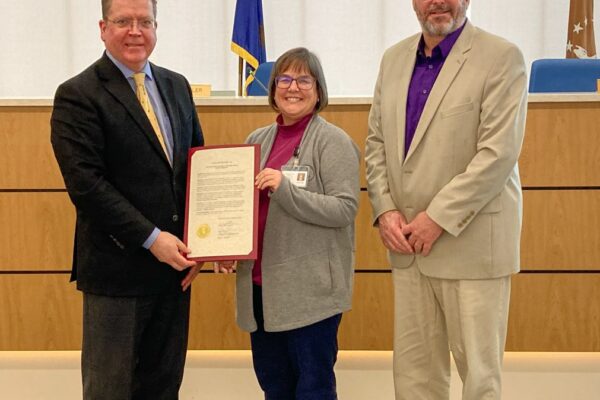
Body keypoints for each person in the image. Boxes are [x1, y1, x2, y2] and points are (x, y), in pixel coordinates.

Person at [365, 1, 527, 399]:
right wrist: (384, 209)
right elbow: (376, 143)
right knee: (415, 377)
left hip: (469, 244)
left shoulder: (501, 57)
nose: (438, 2)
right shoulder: (393, 59)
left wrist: (435, 218)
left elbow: (498, 154)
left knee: (478, 379)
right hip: (406, 245)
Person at [50, 0, 204, 398]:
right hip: (117, 271)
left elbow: (196, 169)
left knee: (162, 387)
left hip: (175, 272)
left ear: (156, 27)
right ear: (103, 28)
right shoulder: (77, 95)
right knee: (110, 391)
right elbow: (87, 185)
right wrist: (153, 239)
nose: (135, 31)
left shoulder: (177, 85)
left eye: (145, 21)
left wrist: (202, 243)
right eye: (123, 22)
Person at [215, 47, 360, 400]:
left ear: (318, 89)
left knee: (313, 389)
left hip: (310, 296)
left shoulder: (334, 142)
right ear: (273, 87)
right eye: (284, 78)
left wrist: (284, 189)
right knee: (274, 387)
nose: (293, 87)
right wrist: (226, 248)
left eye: (304, 79)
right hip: (261, 291)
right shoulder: (256, 140)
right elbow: (242, 207)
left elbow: (344, 210)